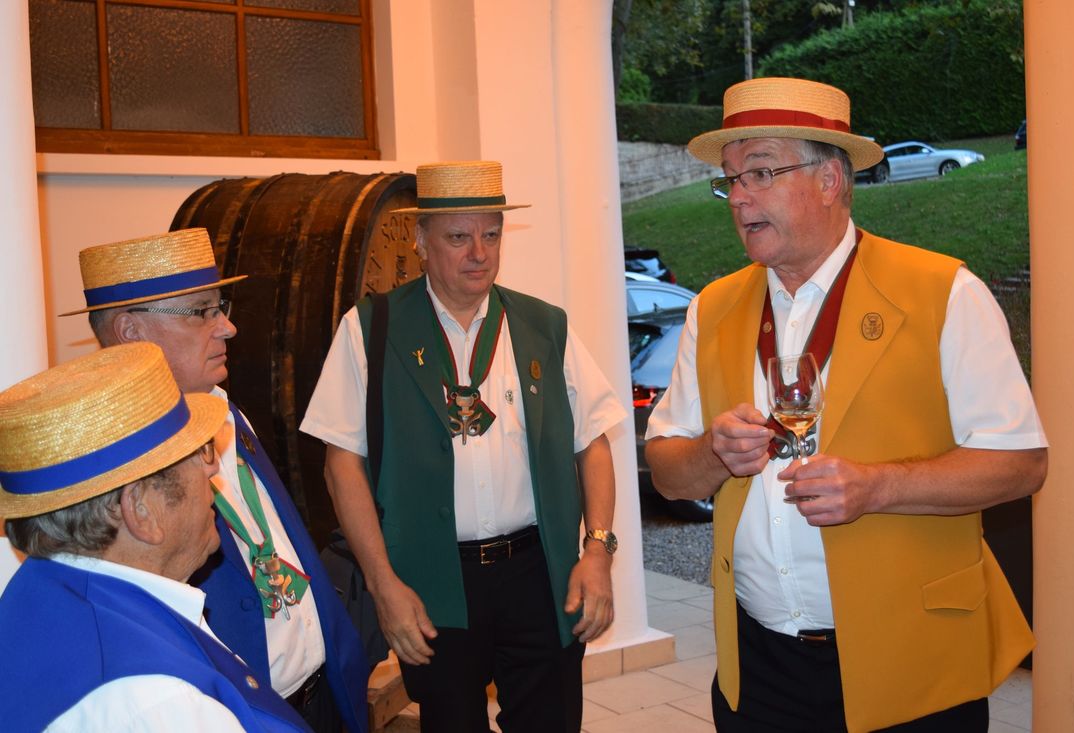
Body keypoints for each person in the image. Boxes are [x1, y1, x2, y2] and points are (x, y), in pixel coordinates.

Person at [644, 77, 1047, 733]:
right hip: (759, 670)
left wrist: (878, 486)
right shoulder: (711, 309)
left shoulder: (945, 292)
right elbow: (667, 471)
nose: (739, 195)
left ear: (830, 179)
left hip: (912, 664)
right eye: (731, 179)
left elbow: (1022, 463)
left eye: (761, 171)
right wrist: (713, 453)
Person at [301, 160, 625, 733]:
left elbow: (593, 442)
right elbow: (341, 465)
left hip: (538, 573)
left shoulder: (543, 325)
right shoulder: (370, 328)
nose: (479, 253)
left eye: (491, 235)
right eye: (458, 237)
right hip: (432, 578)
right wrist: (383, 584)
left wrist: (597, 551)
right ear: (421, 240)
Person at [61, 228, 372, 733]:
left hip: (321, 694)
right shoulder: (116, 473)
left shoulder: (227, 413)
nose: (228, 327)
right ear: (130, 331)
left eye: (220, 307)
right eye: (201, 312)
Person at [0, 342, 312, 732]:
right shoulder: (161, 704)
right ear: (141, 511)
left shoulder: (45, 591)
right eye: (198, 452)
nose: (212, 467)